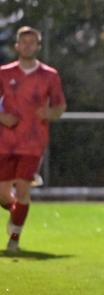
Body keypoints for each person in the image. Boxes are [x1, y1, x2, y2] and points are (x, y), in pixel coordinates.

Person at [0, 26, 67, 253]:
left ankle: (14, 240)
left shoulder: (50, 75)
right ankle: (16, 212)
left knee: (22, 188)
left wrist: (49, 113)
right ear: (17, 46)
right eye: (23, 42)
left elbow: (60, 106)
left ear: (38, 46)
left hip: (33, 142)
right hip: (5, 141)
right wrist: (2, 117)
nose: (27, 46)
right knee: (2, 193)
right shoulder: (4, 73)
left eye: (32, 42)